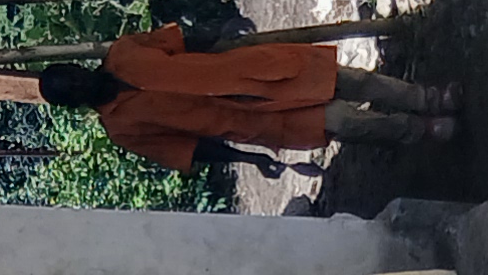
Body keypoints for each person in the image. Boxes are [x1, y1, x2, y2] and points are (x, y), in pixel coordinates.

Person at [36, 24, 457, 174]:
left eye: (71, 77)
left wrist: (231, 39)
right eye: (70, 93)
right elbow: (193, 149)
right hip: (255, 121)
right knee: (345, 122)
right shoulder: (121, 129)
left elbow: (183, 40)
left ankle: (428, 98)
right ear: (74, 105)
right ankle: (418, 130)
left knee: (353, 80)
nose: (78, 85)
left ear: (76, 68)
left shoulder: (125, 51)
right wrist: (250, 159)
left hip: (257, 71)